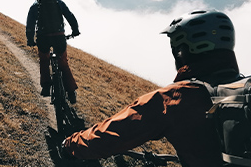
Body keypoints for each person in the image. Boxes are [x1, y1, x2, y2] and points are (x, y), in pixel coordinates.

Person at [62, 10, 242, 166]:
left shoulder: (175, 98)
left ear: (182, 51)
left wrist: (71, 145)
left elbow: (113, 133)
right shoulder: (243, 89)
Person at [26, 0, 80, 104]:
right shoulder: (58, 2)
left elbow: (30, 24)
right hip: (59, 37)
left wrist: (30, 39)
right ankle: (71, 92)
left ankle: (46, 87)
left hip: (43, 38)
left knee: (44, 60)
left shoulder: (35, 5)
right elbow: (70, 16)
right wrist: (75, 31)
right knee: (63, 63)